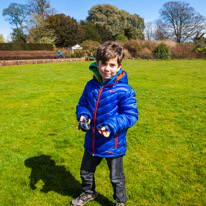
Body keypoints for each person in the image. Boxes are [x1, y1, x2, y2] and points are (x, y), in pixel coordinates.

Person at [71, 41, 138, 206]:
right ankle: (89, 193)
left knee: (116, 177)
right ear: (97, 63)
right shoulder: (90, 85)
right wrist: (83, 117)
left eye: (112, 64)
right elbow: (83, 105)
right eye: (103, 64)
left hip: (113, 142)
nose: (107, 68)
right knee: (86, 172)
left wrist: (110, 125)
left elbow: (130, 115)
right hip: (92, 141)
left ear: (119, 66)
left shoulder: (125, 90)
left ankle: (120, 201)